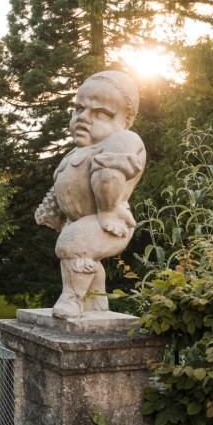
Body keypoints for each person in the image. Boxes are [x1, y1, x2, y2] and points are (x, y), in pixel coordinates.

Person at [34, 70, 145, 320]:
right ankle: (96, 303)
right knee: (82, 248)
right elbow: (64, 185)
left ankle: (72, 299)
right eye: (79, 109)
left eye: (100, 113)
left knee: (73, 244)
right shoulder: (76, 152)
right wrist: (52, 212)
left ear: (126, 120)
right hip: (83, 220)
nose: (84, 118)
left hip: (112, 220)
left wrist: (106, 211)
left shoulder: (124, 141)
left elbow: (109, 178)